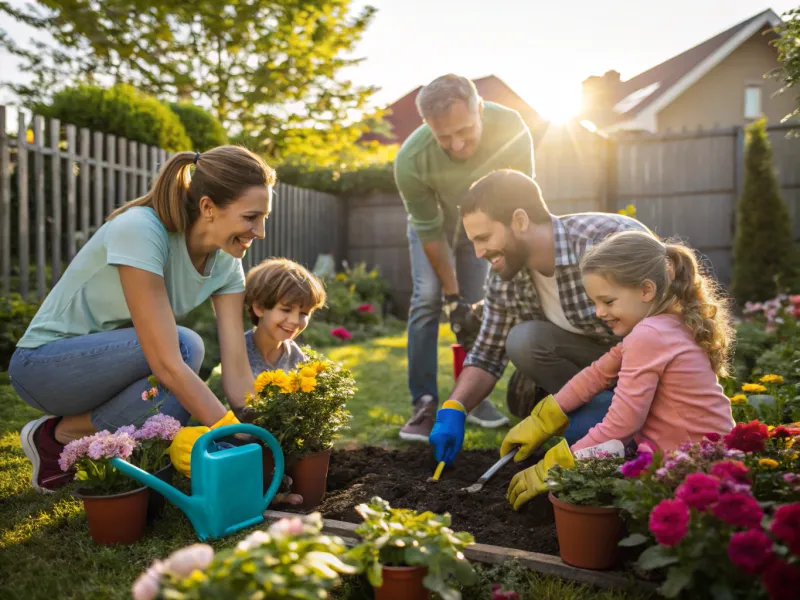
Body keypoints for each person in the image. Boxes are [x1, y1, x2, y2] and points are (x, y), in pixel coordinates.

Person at [10, 146, 272, 494]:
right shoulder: (141, 229)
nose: (261, 231)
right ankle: (69, 435)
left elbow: (237, 370)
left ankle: (56, 437)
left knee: (178, 394)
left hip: (112, 371)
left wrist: (263, 432)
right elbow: (166, 361)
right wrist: (233, 436)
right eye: (251, 217)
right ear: (209, 207)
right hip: (44, 366)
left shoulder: (225, 262)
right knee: (183, 350)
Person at [427, 169, 648, 467]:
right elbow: (487, 353)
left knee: (593, 437)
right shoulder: (504, 276)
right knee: (524, 340)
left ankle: (626, 420)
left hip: (648, 369)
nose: (479, 252)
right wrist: (454, 408)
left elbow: (670, 327)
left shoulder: (605, 240)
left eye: (484, 237)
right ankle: (599, 415)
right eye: (473, 242)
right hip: (597, 374)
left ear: (519, 220)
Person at [502, 230, 736, 510]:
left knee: (583, 432)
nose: (599, 312)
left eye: (608, 301)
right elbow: (597, 374)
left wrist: (553, 466)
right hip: (713, 456)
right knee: (585, 430)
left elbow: (622, 426)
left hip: (691, 470)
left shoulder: (649, 334)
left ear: (646, 290)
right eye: (595, 303)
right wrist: (542, 419)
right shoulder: (671, 321)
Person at [395, 74, 535, 442]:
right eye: (444, 137)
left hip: (485, 224)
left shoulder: (511, 128)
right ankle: (424, 402)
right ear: (427, 126)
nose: (457, 145)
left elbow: (520, 204)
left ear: (480, 108)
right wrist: (452, 296)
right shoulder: (411, 159)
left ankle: (470, 400)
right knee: (428, 299)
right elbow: (430, 232)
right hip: (436, 229)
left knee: (480, 308)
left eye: (465, 131)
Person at [243, 258, 326, 377]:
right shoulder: (239, 351)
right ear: (259, 307)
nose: (295, 321)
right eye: (286, 310)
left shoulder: (296, 358)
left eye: (304, 313)